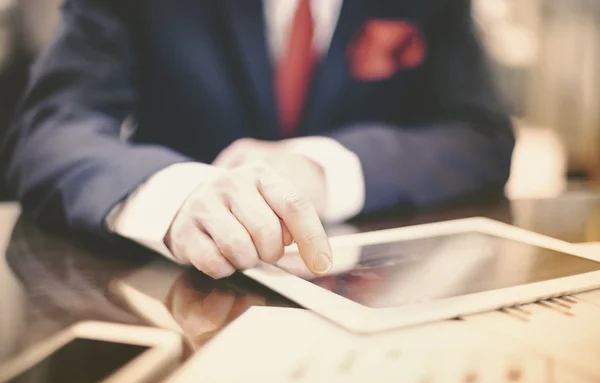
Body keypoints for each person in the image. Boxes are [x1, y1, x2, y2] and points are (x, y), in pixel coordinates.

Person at [1, 0, 515, 279]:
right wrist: (175, 194)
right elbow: (50, 128)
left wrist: (321, 169)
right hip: (177, 293)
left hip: (366, 295)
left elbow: (480, 134)